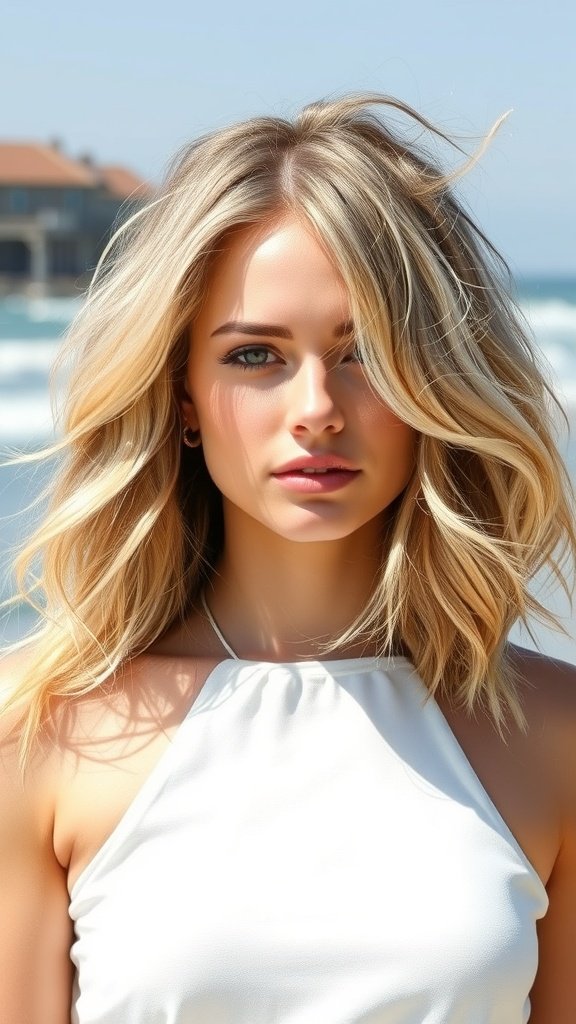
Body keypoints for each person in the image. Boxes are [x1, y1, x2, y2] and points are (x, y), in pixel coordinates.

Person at [1, 93, 575, 1024]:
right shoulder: (38, 732)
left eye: (366, 354)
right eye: (257, 356)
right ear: (181, 396)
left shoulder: (555, 738)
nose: (316, 406)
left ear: (434, 381)